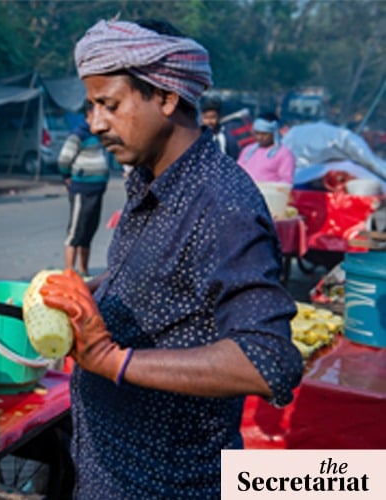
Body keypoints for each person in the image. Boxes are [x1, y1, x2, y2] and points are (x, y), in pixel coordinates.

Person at [39, 18, 303, 498]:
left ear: (166, 97)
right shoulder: (149, 178)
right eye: (92, 106)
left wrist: (109, 358)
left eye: (109, 104)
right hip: (110, 474)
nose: (96, 123)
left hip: (166, 484)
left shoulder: (221, 202)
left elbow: (268, 360)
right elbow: (173, 286)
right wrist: (102, 290)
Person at [57, 105, 109, 277]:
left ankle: (83, 271)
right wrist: (66, 176)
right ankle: (69, 271)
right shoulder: (78, 134)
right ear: (89, 113)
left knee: (89, 230)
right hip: (82, 189)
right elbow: (64, 159)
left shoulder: (99, 134)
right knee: (75, 232)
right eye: (98, 110)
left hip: (97, 189)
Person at [237, 113, 296, 185]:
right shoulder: (248, 150)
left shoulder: (284, 154)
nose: (259, 137)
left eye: (264, 134)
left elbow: (286, 181)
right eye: (257, 133)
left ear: (274, 133)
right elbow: (237, 172)